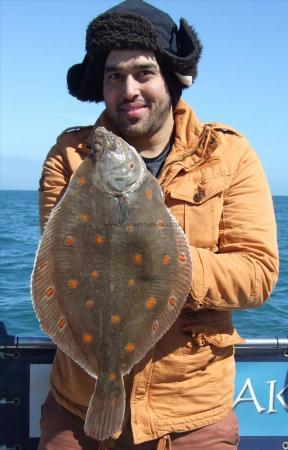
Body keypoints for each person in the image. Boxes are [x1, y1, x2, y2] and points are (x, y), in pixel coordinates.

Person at [37, 1, 279, 449]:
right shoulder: (70, 156)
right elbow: (59, 265)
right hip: (79, 405)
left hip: (191, 415)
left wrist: (167, 262)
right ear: (102, 85)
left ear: (171, 77)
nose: (129, 89)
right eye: (114, 75)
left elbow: (257, 275)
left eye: (144, 72)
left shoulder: (228, 155)